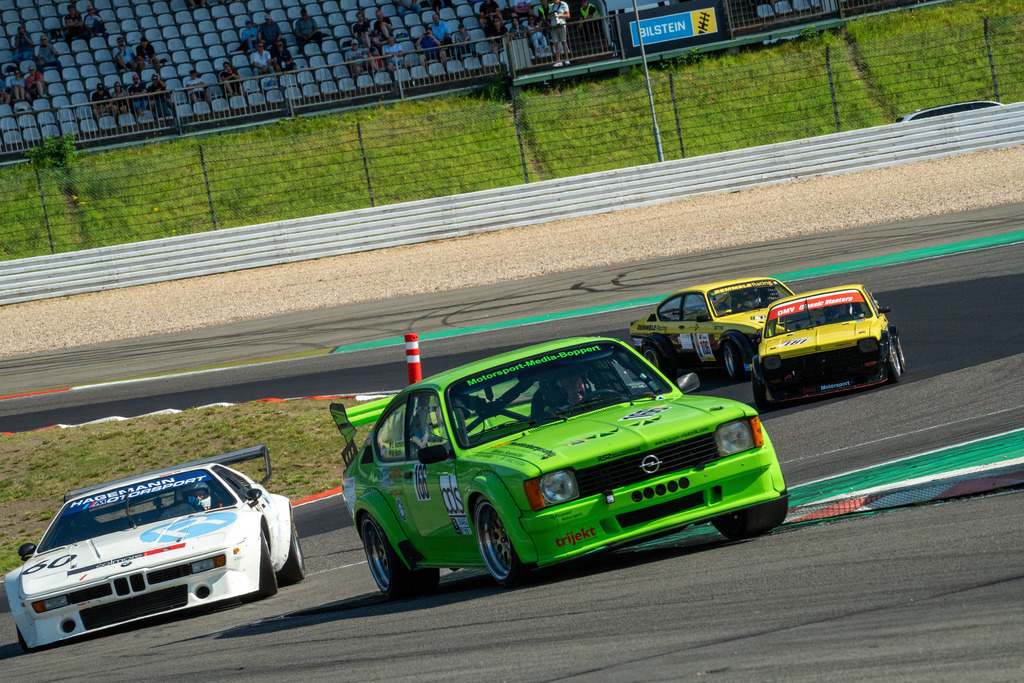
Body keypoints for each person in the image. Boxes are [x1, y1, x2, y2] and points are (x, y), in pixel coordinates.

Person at [549, 0, 569, 66]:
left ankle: (567, 59)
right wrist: (552, 15)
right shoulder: (551, 6)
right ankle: (558, 61)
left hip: (561, 25)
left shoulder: (563, 4)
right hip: (554, 26)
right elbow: (548, 17)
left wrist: (559, 16)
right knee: (555, 43)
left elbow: (568, 15)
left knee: (564, 41)